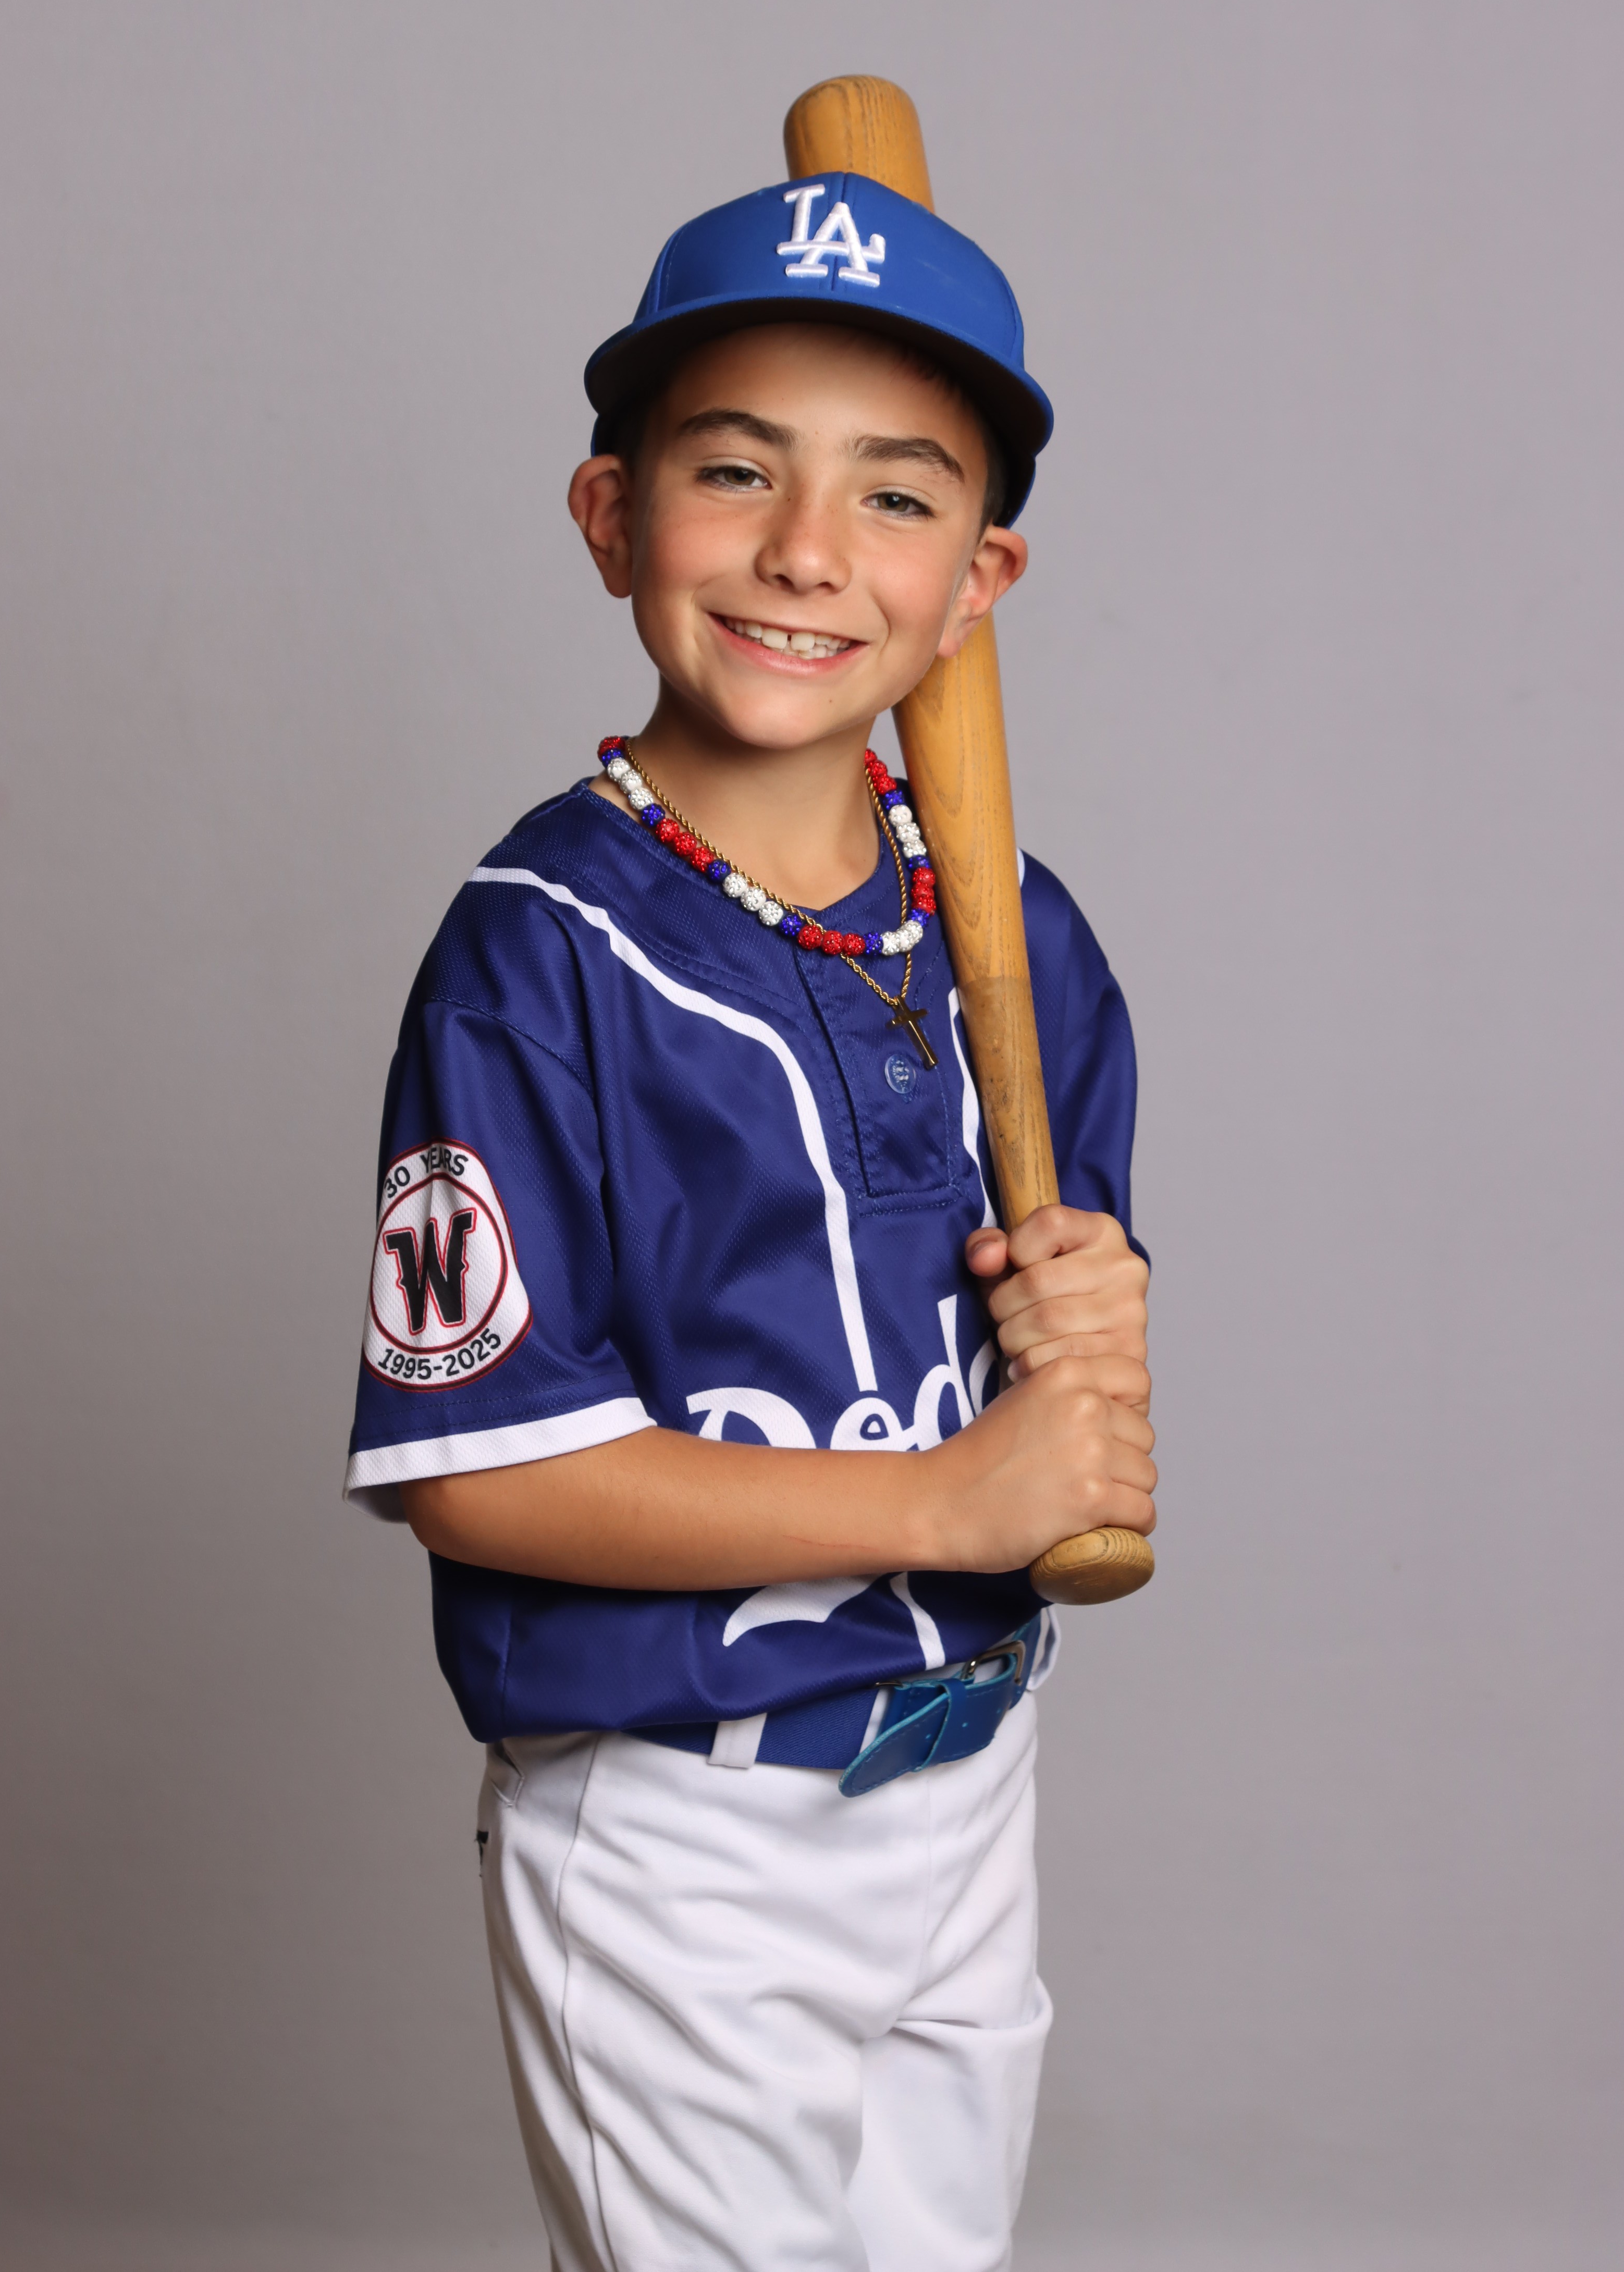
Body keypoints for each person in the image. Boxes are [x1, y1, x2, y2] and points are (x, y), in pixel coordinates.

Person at [345, 171, 1157, 2272]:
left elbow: (1042, 1345)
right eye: (733, 471)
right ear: (611, 517)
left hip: (967, 1768)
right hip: (679, 1819)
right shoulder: (533, 955)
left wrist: (1091, 1309)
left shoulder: (1019, 936)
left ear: (977, 582)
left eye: (894, 496)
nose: (806, 549)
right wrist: (956, 1501)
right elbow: (479, 1468)